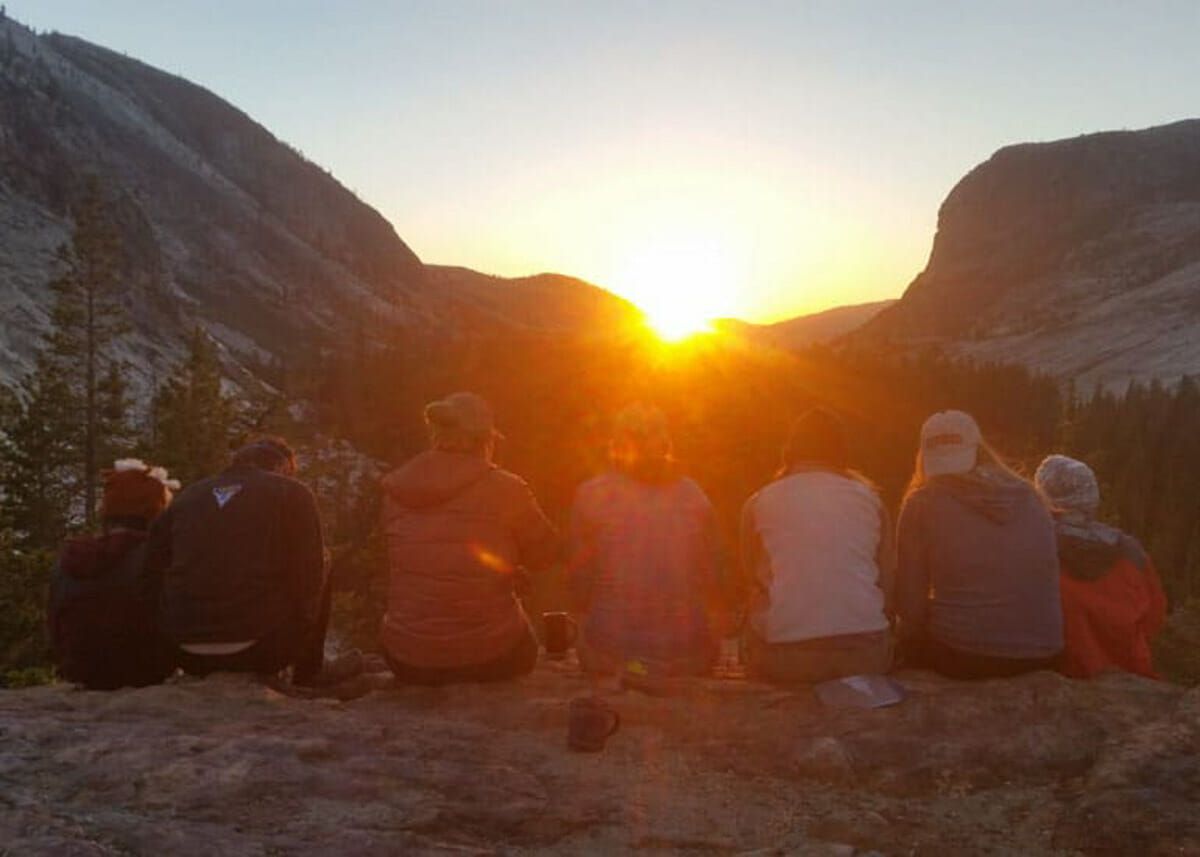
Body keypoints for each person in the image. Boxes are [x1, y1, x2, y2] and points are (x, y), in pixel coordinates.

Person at [379, 392, 558, 685]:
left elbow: (418, 559)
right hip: (490, 658)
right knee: (523, 638)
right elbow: (544, 556)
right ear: (486, 440)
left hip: (406, 658)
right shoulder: (507, 488)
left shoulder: (396, 490)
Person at [146, 437, 345, 687]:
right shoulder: (292, 492)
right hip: (261, 651)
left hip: (185, 652)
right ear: (284, 467)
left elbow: (151, 571)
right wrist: (299, 631)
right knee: (322, 560)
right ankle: (310, 671)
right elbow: (310, 574)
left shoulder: (188, 496)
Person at [567, 404, 726, 691]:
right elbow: (715, 578)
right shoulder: (695, 496)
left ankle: (636, 669)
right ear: (666, 445)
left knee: (603, 649)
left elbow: (579, 585)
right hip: (686, 656)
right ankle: (653, 668)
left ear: (616, 445)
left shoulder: (590, 495)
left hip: (614, 655)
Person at [895, 410, 1063, 679]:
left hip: (965, 655)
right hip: (1045, 654)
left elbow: (910, 609)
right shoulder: (1031, 496)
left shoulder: (922, 503)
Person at [740, 408, 893, 684]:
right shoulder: (871, 501)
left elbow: (752, 576)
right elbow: (887, 581)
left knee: (755, 605)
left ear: (790, 452)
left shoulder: (758, 502)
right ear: (841, 454)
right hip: (866, 656)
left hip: (788, 661)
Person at [48, 460, 179, 690]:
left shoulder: (69, 558)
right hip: (146, 671)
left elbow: (54, 625)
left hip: (80, 671)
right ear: (157, 513)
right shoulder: (158, 557)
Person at [1034, 454, 1167, 679]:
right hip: (1130, 675)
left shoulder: (1034, 549)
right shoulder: (1132, 552)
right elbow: (1155, 617)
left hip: (1064, 674)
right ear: (1092, 499)